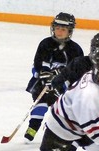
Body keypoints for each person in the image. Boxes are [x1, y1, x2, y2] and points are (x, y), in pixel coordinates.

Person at [51, 33, 99, 151]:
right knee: (77, 135)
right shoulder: (79, 63)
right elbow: (58, 81)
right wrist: (62, 94)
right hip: (81, 107)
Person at [24, 12, 84, 143]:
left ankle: (51, 129)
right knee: (41, 103)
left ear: (70, 31)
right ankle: (32, 128)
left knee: (60, 109)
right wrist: (44, 75)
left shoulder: (75, 49)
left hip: (63, 85)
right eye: (57, 28)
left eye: (63, 29)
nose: (59, 32)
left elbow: (77, 71)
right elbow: (39, 63)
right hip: (42, 82)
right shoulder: (45, 44)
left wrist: (62, 78)